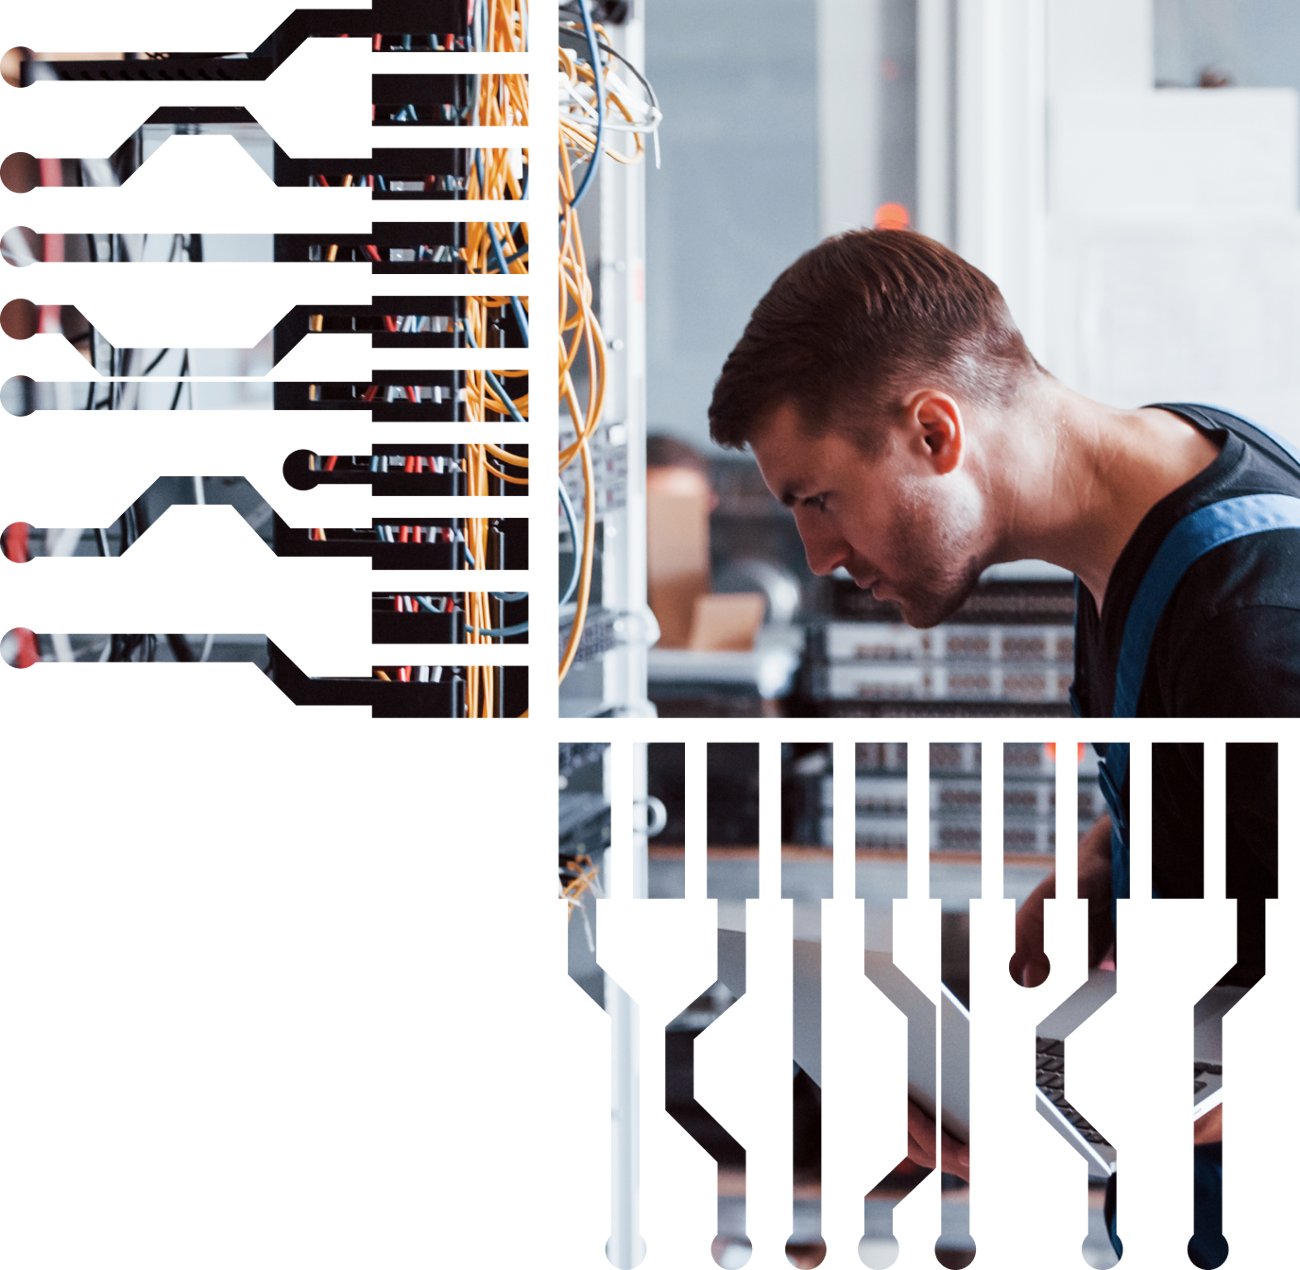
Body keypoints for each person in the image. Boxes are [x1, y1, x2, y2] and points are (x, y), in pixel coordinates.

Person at [706, 228, 1300, 719]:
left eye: (819, 500)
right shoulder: (1143, 503)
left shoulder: (1242, 626)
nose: (817, 557)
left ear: (935, 433)